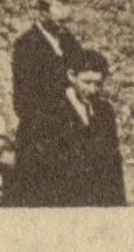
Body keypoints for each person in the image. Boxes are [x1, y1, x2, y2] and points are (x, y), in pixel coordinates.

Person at [14, 48, 125, 207]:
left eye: (98, 84)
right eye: (87, 82)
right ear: (72, 76)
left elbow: (113, 165)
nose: (93, 90)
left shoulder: (105, 112)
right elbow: (32, 168)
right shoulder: (47, 112)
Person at [11, 0, 82, 142]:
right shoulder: (27, 44)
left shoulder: (69, 41)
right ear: (42, 14)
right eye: (59, 22)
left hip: (69, 126)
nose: (64, 28)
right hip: (39, 131)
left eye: (66, 22)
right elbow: (24, 99)